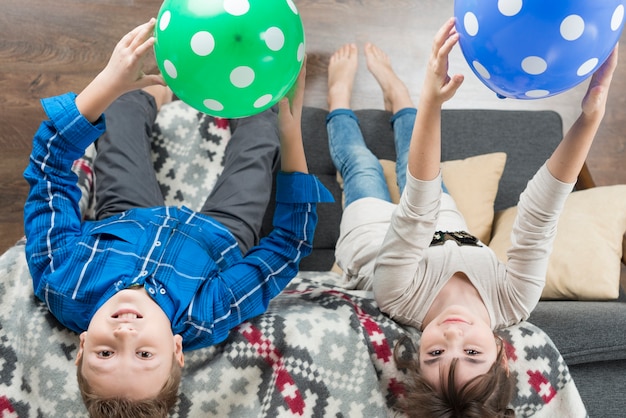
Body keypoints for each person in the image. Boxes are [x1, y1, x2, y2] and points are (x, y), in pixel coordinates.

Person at [23, 18, 332, 418]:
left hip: (124, 215)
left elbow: (49, 167)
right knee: (261, 141)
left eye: (105, 352)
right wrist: (290, 131)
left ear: (81, 345)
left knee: (118, 117)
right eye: (145, 353)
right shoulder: (207, 315)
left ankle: (155, 92)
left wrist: (111, 81)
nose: (125, 333)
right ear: (176, 348)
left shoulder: (60, 279)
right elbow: (288, 246)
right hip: (220, 233)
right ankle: (245, 93)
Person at [327, 18, 617, 417]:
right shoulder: (513, 301)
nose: (452, 333)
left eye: (435, 353)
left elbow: (418, 206)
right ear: (500, 353)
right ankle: (400, 97)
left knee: (361, 167)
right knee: (422, 167)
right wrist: (589, 118)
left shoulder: (397, 294)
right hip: (448, 226)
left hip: (371, 238)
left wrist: (433, 99)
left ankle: (339, 100)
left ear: (417, 353)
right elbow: (540, 214)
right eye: (472, 352)